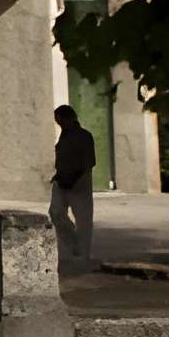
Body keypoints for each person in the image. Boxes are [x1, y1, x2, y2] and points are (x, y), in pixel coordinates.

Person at [51, 104, 97, 268]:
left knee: (83, 219)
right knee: (56, 212)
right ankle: (72, 242)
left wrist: (75, 178)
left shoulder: (84, 136)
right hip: (61, 180)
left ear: (69, 118)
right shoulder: (64, 135)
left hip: (80, 181)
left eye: (61, 120)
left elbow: (89, 161)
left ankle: (83, 255)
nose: (59, 124)